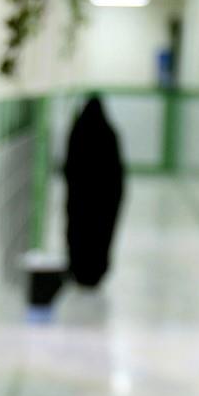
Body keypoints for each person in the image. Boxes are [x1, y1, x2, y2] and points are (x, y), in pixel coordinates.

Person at [61, 95, 127, 288]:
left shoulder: (78, 132)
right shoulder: (110, 133)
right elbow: (117, 173)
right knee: (101, 235)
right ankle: (96, 271)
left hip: (80, 199)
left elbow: (69, 167)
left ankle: (79, 270)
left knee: (78, 233)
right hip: (105, 201)